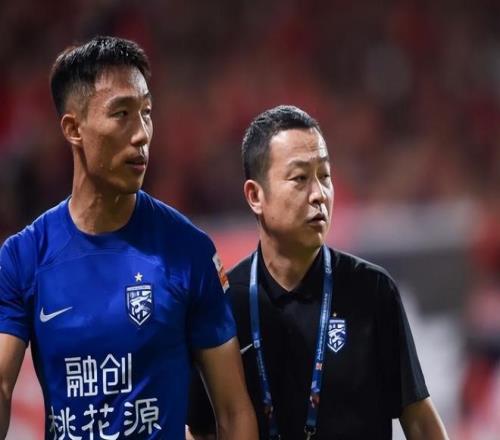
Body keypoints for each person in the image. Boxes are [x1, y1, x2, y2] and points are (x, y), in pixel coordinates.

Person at [0, 36, 257, 440]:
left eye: (146, 113)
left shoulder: (188, 252)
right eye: (121, 113)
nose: (141, 134)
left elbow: (233, 410)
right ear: (73, 129)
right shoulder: (24, 257)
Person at [187, 105, 449, 439]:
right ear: (255, 196)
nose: (319, 195)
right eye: (300, 178)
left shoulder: (372, 291)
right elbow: (200, 429)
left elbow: (420, 420)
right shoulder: (225, 303)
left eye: (324, 176)